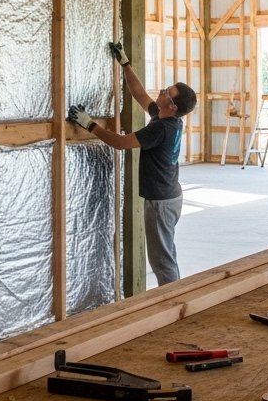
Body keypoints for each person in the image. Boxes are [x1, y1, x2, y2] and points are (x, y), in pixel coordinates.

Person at [66, 41, 197, 286]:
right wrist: (125, 63)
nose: (160, 92)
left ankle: (173, 303)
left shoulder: (160, 128)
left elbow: (120, 142)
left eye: (166, 93)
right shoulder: (167, 119)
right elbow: (140, 94)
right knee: (166, 253)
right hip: (169, 196)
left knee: (161, 260)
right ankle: (176, 296)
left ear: (172, 106)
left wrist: (89, 124)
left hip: (161, 202)